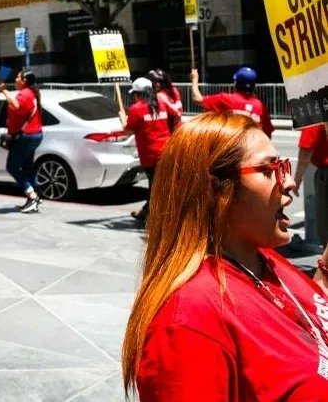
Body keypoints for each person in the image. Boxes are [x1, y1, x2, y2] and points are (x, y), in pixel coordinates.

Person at [122, 112, 328, 400]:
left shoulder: (262, 258)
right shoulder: (188, 325)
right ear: (215, 189)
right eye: (269, 170)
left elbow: (309, 316)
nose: (290, 182)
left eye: (284, 166)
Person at [119, 77, 175, 224]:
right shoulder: (162, 103)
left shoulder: (136, 109)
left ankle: (151, 215)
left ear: (138, 94)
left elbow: (128, 130)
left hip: (150, 155)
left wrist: (122, 119)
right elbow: (175, 117)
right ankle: (148, 212)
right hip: (167, 151)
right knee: (158, 185)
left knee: (155, 186)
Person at [0, 70, 43, 213]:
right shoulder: (31, 93)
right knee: (27, 166)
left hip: (26, 136)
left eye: (17, 77)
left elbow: (16, 105)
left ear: (24, 80)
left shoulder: (24, 94)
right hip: (34, 135)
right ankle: (36, 196)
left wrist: (4, 91)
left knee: (12, 167)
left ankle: (32, 195)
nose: (15, 79)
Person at [191, 66, 274, 138]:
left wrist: (195, 79)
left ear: (236, 83)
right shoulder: (260, 106)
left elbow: (197, 99)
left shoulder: (226, 99)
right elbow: (268, 134)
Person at [294, 123, 328, 247]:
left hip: (326, 173)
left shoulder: (316, 113)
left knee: (324, 226)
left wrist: (297, 179)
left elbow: (306, 150)